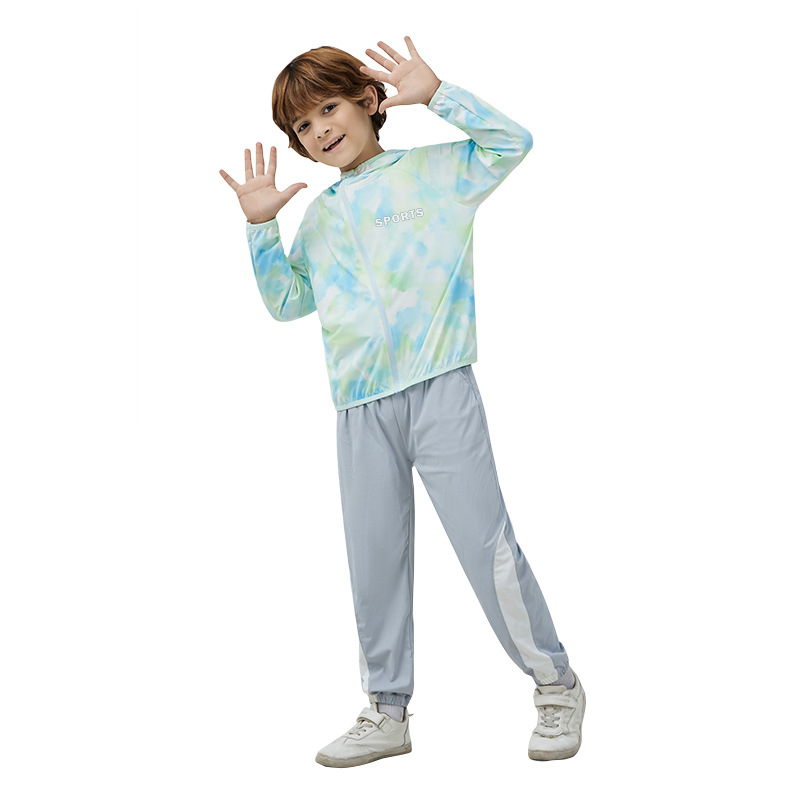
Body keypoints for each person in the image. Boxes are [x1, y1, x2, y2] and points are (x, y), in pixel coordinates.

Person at [220, 36, 586, 767]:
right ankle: (387, 711)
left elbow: (512, 143)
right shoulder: (321, 217)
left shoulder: (435, 173)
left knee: (487, 550)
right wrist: (261, 227)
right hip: (359, 407)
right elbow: (289, 303)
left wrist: (441, 95)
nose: (319, 129)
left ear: (368, 100)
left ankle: (556, 686)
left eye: (328, 107)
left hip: (440, 385)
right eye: (302, 125)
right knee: (374, 562)